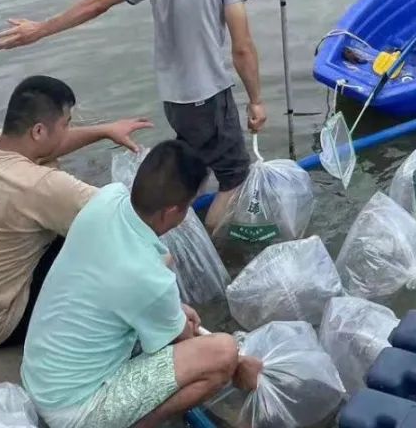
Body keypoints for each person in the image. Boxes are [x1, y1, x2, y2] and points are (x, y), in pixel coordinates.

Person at [0, 0, 264, 232]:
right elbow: (242, 48)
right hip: (208, 98)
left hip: (174, 101)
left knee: (186, 173)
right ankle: (210, 259)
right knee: (234, 180)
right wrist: (256, 101)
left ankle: (159, 237)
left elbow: (98, 3)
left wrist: (40, 29)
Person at [22, 140, 261, 428]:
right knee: (221, 352)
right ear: (171, 212)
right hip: (75, 410)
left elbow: (137, 286)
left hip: (40, 375)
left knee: (174, 301)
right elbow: (190, 343)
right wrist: (239, 361)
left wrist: (172, 311)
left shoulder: (108, 198)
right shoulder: (148, 279)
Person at [0, 75, 151, 349]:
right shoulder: (39, 185)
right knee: (102, 236)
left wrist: (105, 130)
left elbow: (49, 145)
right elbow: (124, 217)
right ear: (38, 131)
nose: (68, 130)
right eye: (66, 123)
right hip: (1, 325)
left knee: (64, 212)